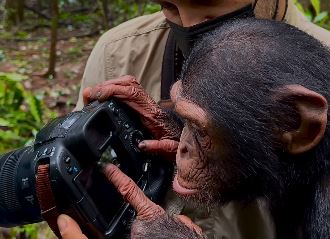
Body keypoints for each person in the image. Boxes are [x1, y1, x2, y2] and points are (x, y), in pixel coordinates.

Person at [61, 0, 330, 238]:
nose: (188, 25)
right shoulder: (118, 52)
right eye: (167, 5)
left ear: (294, 123)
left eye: (206, 4)